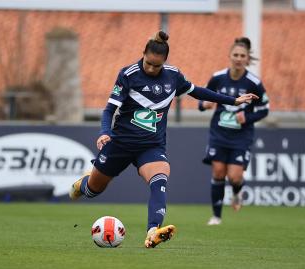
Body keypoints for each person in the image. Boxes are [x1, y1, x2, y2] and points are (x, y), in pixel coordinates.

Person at [69, 31, 258, 248]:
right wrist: (104, 132)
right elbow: (109, 109)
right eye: (148, 63)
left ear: (164, 62)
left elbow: (198, 92)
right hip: (120, 144)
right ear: (143, 55)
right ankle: (83, 182)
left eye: (156, 66)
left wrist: (233, 101)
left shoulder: (173, 76)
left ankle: (153, 231)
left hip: (151, 146)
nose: (151, 68)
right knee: (94, 190)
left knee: (160, 180)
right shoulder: (128, 75)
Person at [198, 37, 269, 225]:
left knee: (235, 176)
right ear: (229, 56)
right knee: (219, 172)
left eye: (242, 55)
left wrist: (247, 118)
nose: (238, 58)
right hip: (218, 134)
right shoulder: (218, 77)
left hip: (241, 137)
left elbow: (265, 109)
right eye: (235, 55)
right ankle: (216, 216)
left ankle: (237, 192)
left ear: (247, 59)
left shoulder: (254, 83)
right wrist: (204, 104)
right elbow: (202, 98)